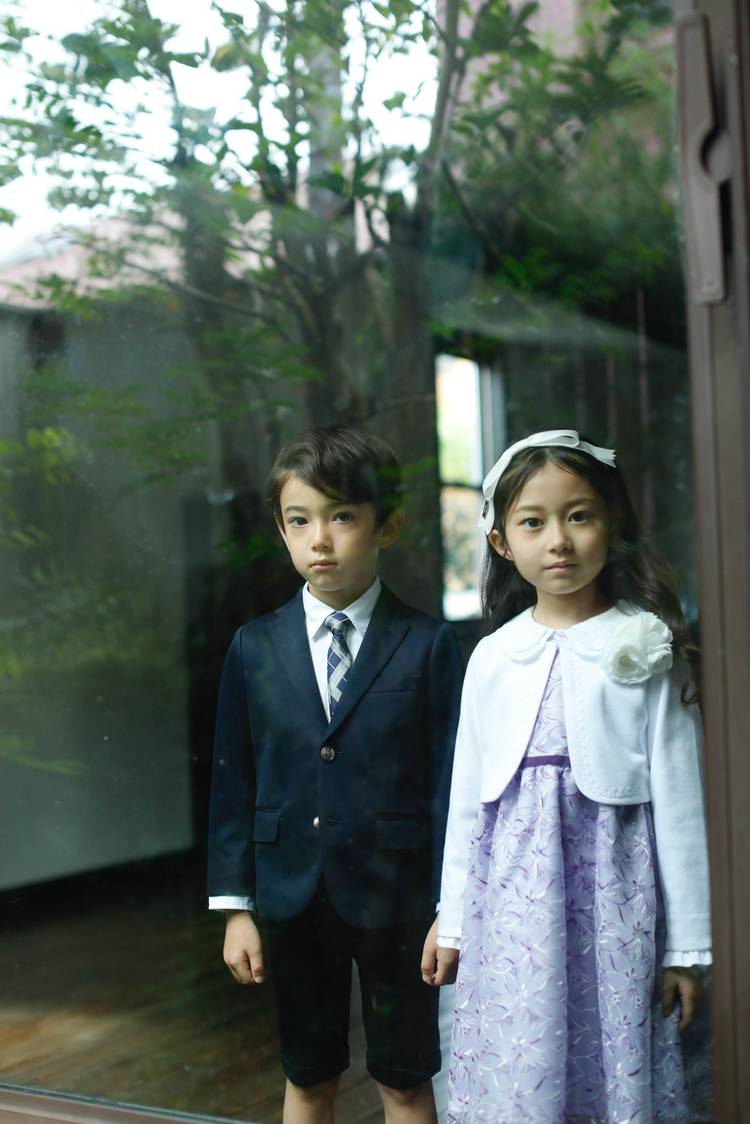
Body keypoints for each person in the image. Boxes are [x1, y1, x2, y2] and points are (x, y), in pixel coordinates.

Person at [433, 429, 711, 1123]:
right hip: (512, 906)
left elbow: (682, 805)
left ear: (611, 524)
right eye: (533, 522)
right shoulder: (493, 657)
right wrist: (452, 919)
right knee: (522, 1054)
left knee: (608, 1051)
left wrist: (686, 950)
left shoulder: (647, 645)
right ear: (501, 543)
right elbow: (468, 803)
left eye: (578, 516)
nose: (558, 540)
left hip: (614, 902)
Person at [207, 425, 464, 1124]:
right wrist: (236, 909)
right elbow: (233, 783)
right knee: (308, 1074)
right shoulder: (254, 647)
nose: (319, 540)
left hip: (400, 896)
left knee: (404, 1080)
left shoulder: (429, 644)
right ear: (282, 531)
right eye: (299, 521)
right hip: (293, 895)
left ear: (388, 526)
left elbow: (450, 788)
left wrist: (452, 905)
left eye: (342, 516)